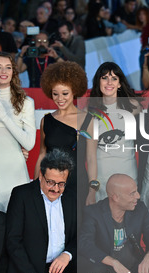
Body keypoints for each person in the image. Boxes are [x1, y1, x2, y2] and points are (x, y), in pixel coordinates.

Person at [6, 150, 99, 273]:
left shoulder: (72, 198)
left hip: (61, 266)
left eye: (61, 184)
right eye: (50, 182)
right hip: (33, 272)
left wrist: (68, 254)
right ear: (41, 175)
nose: (55, 189)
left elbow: (81, 234)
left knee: (95, 270)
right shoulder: (21, 195)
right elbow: (12, 242)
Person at [0, 53, 35, 212]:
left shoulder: (26, 102)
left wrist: (3, 116)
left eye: (8, 67)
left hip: (15, 170)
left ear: (13, 72)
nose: (3, 71)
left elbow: (29, 143)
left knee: (18, 223)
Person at [86, 62, 141, 204]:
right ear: (98, 81)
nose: (109, 82)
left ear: (120, 84)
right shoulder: (90, 113)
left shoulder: (133, 106)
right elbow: (91, 156)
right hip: (102, 179)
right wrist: (92, 189)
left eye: (114, 78)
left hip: (128, 176)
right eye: (104, 78)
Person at [36, 61, 92, 199]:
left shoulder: (88, 119)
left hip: (78, 185)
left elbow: (91, 159)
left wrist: (93, 191)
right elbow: (42, 154)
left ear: (75, 91)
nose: (60, 99)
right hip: (50, 185)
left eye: (65, 93)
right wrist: (36, 184)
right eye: (55, 94)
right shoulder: (46, 120)